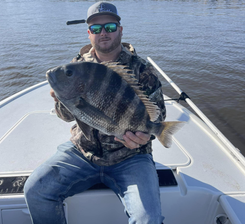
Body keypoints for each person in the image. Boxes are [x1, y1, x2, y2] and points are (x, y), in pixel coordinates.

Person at [24, 2, 166, 224]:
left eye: (109, 27)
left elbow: (159, 115)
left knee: (148, 218)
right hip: (83, 151)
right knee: (35, 190)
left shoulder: (142, 69)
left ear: (120, 30)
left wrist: (146, 136)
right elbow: (66, 116)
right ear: (89, 33)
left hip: (131, 157)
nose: (103, 33)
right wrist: (61, 98)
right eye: (96, 28)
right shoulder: (77, 67)